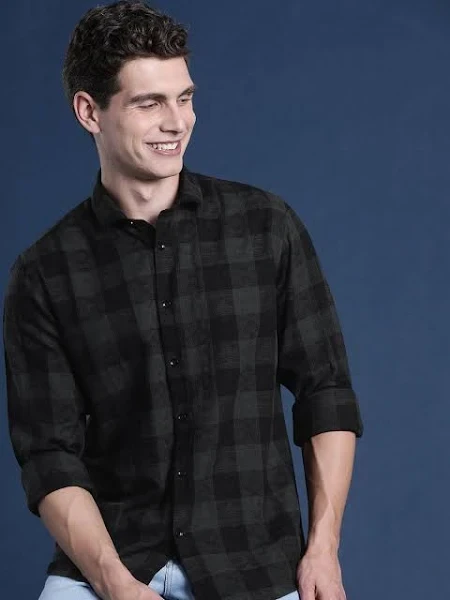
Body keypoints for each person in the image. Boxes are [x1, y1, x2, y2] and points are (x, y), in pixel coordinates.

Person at [2, 1, 364, 599]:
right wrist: (114, 582)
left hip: (253, 563)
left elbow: (325, 393)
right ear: (89, 111)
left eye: (185, 97)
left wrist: (323, 549)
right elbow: (49, 455)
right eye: (150, 103)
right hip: (113, 560)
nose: (178, 122)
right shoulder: (44, 273)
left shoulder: (266, 227)